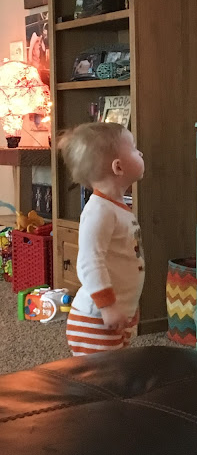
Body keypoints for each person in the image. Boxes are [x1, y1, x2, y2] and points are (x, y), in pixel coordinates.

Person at [57, 122, 145, 356]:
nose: (140, 153)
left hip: (113, 316)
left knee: (115, 370)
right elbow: (89, 263)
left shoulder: (116, 207)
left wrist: (128, 305)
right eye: (134, 149)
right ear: (118, 167)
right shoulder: (99, 211)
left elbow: (123, 261)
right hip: (95, 319)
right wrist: (108, 306)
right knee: (101, 374)